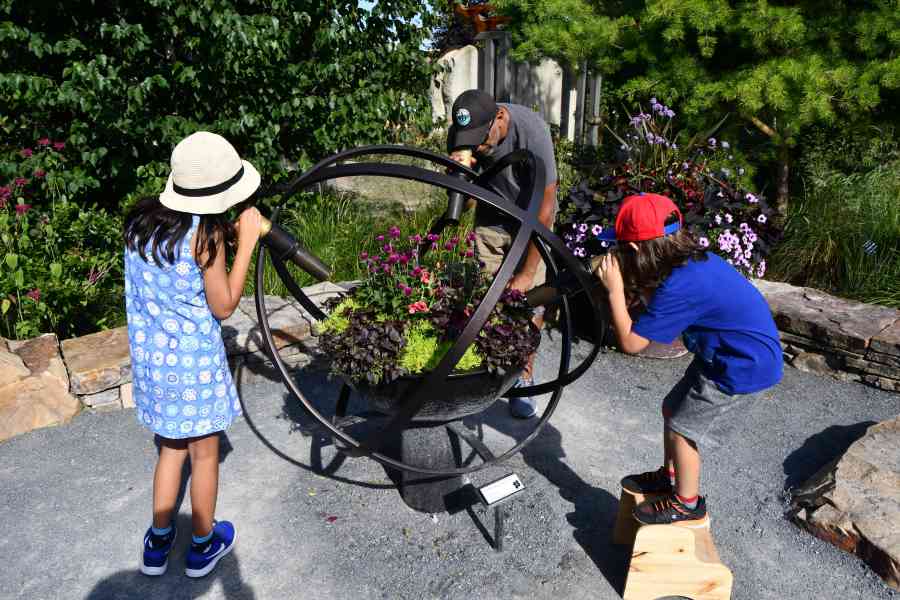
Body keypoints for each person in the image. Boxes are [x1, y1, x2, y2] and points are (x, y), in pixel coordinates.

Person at [594, 193, 782, 524]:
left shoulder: (681, 285)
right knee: (672, 408)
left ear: (636, 249)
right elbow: (657, 308)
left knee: (683, 429)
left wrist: (615, 291)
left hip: (742, 365)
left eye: (620, 248)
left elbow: (631, 343)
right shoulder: (689, 263)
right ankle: (670, 477)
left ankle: (686, 502)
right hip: (727, 353)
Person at [124, 131, 263, 577]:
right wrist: (246, 243)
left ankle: (157, 544)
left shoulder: (141, 225)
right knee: (204, 455)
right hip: (195, 370)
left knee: (171, 451)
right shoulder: (204, 236)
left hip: (155, 366)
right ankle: (203, 544)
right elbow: (223, 305)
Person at [447, 89, 558, 419]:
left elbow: (546, 207)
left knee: (531, 303)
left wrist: (525, 274)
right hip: (492, 219)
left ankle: (523, 377)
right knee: (484, 299)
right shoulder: (464, 135)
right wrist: (458, 173)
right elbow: (463, 202)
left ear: (499, 118)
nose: (476, 147)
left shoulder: (531, 130)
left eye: (480, 139)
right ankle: (485, 374)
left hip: (532, 217)